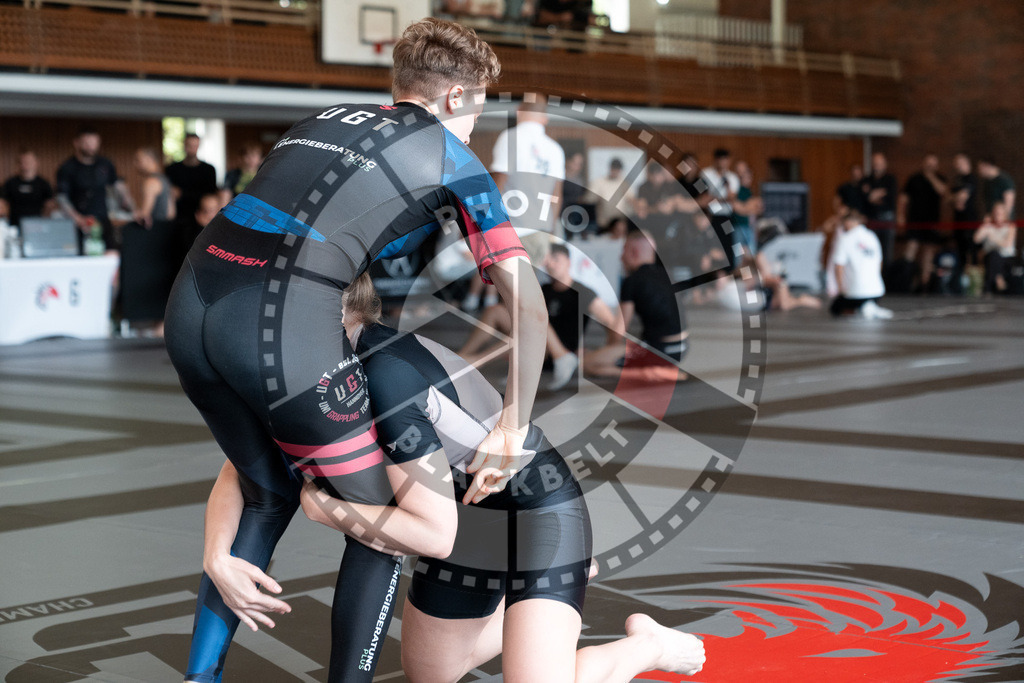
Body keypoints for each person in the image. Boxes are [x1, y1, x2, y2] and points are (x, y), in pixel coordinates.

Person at [165, 17, 549, 683]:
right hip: (278, 323)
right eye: (475, 118)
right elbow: (531, 304)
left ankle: (199, 677)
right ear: (455, 98)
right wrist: (513, 423)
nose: (471, 137)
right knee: (384, 523)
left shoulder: (323, 118)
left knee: (264, 491)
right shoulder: (455, 159)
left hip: (191, 301)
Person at [202, 273, 705, 681]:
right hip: (467, 518)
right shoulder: (320, 375)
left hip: (534, 514)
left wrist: (328, 509)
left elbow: (433, 535)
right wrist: (216, 555)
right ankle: (529, 590)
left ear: (334, 311)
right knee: (433, 674)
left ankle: (647, 644)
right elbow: (242, 466)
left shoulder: (384, 375)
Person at [459, 242, 623, 390]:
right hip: (535, 340)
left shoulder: (583, 293)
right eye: (548, 260)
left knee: (532, 325)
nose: (551, 264)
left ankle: (474, 361)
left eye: (556, 259)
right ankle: (462, 356)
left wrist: (604, 352)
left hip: (557, 350)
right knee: (495, 311)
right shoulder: (544, 289)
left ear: (568, 262)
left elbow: (611, 323)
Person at [463, 95, 565, 312]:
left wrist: (485, 219)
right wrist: (550, 229)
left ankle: (481, 305)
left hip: (511, 224)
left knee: (496, 272)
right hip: (540, 228)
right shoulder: (555, 149)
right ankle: (524, 331)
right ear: (544, 118)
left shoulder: (511, 138)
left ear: (520, 113)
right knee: (528, 292)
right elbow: (556, 196)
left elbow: (498, 182)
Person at [585, 231, 688, 381]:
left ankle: (650, 373)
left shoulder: (632, 281)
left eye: (623, 251)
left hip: (659, 351)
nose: (621, 258)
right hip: (682, 348)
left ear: (634, 252)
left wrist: (608, 351)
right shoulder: (667, 273)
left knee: (588, 363)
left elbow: (619, 331)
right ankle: (653, 368)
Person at [120, 147, 177, 337]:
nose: (136, 165)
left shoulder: (151, 181)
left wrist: (127, 217)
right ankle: (161, 324)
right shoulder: (165, 180)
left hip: (150, 242)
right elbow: (171, 213)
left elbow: (144, 215)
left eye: (138, 160)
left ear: (147, 159)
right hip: (167, 239)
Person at [56, 128, 135, 252]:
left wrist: (132, 208)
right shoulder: (67, 168)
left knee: (111, 254)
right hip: (78, 223)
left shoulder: (105, 164)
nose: (91, 147)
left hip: (103, 220)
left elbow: (118, 186)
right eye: (87, 143)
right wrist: (78, 219)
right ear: (77, 143)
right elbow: (62, 197)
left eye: (94, 143)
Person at [829, 209, 893, 319]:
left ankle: (859, 308)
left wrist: (840, 289)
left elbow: (839, 266)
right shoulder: (872, 236)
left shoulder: (845, 238)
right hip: (877, 292)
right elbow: (879, 263)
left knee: (835, 308)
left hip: (855, 293)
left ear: (848, 222)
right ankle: (868, 305)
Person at [897, 154, 947, 291]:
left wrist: (931, 177)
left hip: (932, 221)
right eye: (928, 163)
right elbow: (903, 198)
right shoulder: (914, 178)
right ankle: (905, 281)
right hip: (915, 220)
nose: (930, 166)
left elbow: (943, 192)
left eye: (933, 164)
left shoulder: (940, 178)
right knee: (910, 249)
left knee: (928, 252)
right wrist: (901, 216)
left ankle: (924, 284)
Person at [165, 133, 219, 252]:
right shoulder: (172, 169)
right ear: (184, 146)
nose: (192, 149)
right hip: (179, 218)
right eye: (190, 145)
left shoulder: (208, 170)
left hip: (202, 218)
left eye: (195, 146)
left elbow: (210, 195)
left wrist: (182, 194)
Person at [860, 151, 898, 267]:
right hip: (872, 219)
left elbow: (890, 198)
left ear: (884, 164)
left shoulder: (890, 180)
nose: (877, 166)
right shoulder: (867, 180)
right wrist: (879, 194)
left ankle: (886, 281)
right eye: (875, 163)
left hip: (887, 220)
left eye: (879, 163)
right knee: (870, 250)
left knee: (886, 253)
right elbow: (866, 198)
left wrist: (873, 195)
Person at [0, 150, 56, 227]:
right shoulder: (10, 183)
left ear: (36, 163)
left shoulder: (43, 184)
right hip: (15, 225)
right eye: (22, 162)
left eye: (28, 162)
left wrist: (44, 221)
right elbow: (2, 203)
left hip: (37, 225)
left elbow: (50, 205)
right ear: (18, 164)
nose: (25, 165)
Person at [974, 202, 1017, 294]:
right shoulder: (989, 226)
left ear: (1005, 214)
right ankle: (999, 279)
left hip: (1006, 259)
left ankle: (988, 287)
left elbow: (1007, 244)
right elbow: (976, 239)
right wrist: (984, 225)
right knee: (993, 256)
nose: (998, 216)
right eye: (996, 213)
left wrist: (992, 236)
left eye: (1001, 213)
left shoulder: (1010, 226)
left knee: (995, 256)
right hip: (990, 258)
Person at [948, 153, 980, 273]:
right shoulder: (957, 179)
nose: (957, 166)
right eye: (956, 163)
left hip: (969, 217)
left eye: (960, 163)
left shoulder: (971, 178)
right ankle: (961, 276)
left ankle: (973, 275)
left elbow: (963, 196)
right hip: (958, 218)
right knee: (959, 247)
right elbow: (947, 197)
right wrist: (956, 198)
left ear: (967, 162)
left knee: (971, 248)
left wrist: (956, 197)